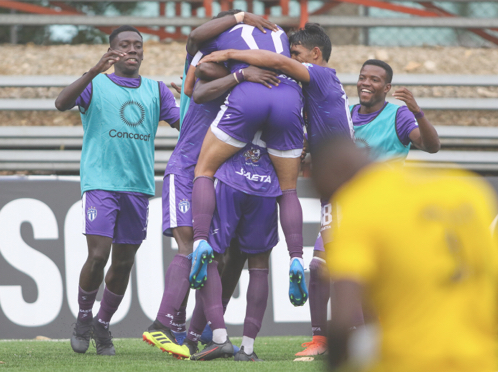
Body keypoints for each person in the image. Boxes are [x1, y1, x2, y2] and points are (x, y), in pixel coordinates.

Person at [199, 22, 354, 356]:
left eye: (295, 54)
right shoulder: (316, 92)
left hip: (347, 190)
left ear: (314, 55)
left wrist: (228, 54)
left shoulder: (322, 75)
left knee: (344, 265)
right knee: (323, 264)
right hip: (335, 188)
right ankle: (328, 338)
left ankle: (357, 341)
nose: (288, 59)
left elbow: (280, 64)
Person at [141, 11, 281, 360]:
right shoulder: (208, 62)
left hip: (218, 176)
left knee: (215, 256)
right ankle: (161, 323)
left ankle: (194, 335)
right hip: (187, 169)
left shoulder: (246, 80)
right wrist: (239, 19)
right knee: (191, 245)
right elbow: (199, 65)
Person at [311, 135, 498, 372]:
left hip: (408, 362)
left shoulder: (359, 205)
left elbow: (344, 317)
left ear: (333, 172)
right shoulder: (466, 188)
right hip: (480, 362)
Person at [54, 25, 180, 356]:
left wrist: (197, 96)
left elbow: (185, 124)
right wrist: (94, 69)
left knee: (124, 262)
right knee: (98, 255)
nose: (132, 49)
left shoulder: (156, 90)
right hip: (100, 183)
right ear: (112, 51)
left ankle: (102, 325)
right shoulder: (94, 83)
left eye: (137, 45)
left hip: (138, 186)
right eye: (124, 44)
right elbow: (60, 103)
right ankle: (83, 318)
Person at [188, 11, 308, 309]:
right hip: (289, 95)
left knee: (204, 169)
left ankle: (200, 240)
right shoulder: (277, 30)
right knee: (289, 190)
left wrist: (238, 72)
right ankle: (296, 257)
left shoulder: (217, 35)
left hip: (249, 94)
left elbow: (198, 73)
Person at [186, 132, 281, 362]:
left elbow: (198, 96)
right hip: (266, 186)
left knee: (211, 255)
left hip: (231, 178)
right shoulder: (292, 97)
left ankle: (216, 337)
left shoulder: (237, 94)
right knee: (258, 263)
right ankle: (246, 349)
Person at [352, 59, 440, 160]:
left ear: (386, 88)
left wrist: (417, 112)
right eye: (362, 78)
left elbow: (432, 147)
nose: (366, 83)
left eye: (374, 80)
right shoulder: (345, 113)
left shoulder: (399, 116)